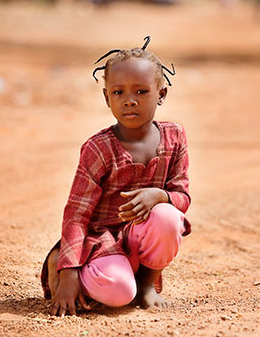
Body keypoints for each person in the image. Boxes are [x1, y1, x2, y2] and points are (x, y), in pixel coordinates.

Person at [40, 36, 191, 317]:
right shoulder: (98, 148)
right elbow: (77, 212)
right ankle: (62, 263)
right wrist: (69, 272)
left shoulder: (175, 138)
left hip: (139, 241)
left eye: (141, 92)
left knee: (169, 217)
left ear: (161, 94)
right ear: (106, 97)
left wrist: (161, 196)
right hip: (100, 243)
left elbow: (182, 198)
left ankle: (146, 285)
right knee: (119, 294)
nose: (129, 101)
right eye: (118, 92)